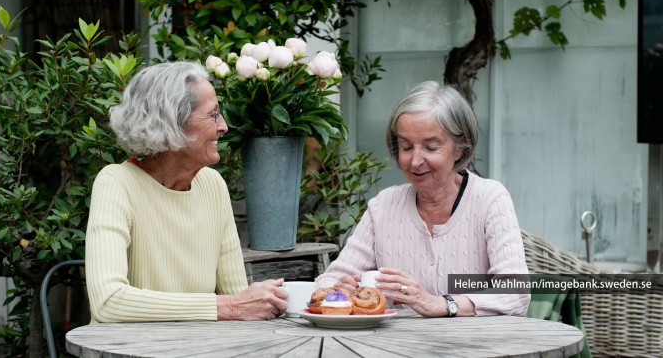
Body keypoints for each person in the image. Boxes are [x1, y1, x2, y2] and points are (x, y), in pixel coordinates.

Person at [85, 61, 288, 322]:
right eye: (212, 114)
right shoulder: (116, 184)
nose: (224, 126)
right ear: (171, 123)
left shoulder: (212, 185)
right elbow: (109, 302)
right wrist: (229, 306)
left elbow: (237, 296)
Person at [315, 81, 530, 317]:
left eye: (430, 147)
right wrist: (337, 289)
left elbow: (515, 292)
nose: (415, 161)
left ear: (460, 147)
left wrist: (441, 304)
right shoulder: (384, 206)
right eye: (406, 147)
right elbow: (331, 279)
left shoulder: (490, 199)